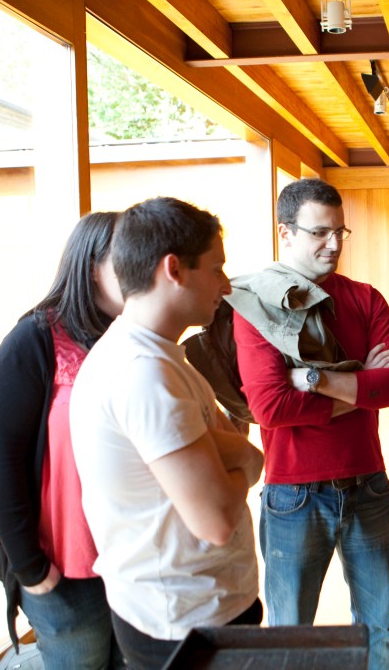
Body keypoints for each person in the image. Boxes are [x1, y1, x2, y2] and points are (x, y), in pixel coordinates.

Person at [69, 197, 264, 670]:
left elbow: (220, 445)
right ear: (173, 269)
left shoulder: (155, 354)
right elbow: (216, 519)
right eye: (216, 268)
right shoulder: (143, 372)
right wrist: (248, 458)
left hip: (193, 606)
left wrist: (231, 455)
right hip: (183, 619)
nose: (225, 284)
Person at [232, 178, 389, 670]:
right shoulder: (257, 303)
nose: (333, 244)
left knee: (379, 626)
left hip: (368, 485)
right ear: (285, 233)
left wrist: (316, 379)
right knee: (291, 633)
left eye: (340, 232)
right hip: (294, 495)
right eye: (319, 233)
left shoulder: (365, 298)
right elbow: (271, 407)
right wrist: (362, 382)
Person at [0, 211, 123, 669]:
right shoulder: (33, 340)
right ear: (92, 266)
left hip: (132, 560)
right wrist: (30, 567)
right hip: (63, 565)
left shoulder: (134, 339)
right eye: (127, 258)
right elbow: (1, 460)